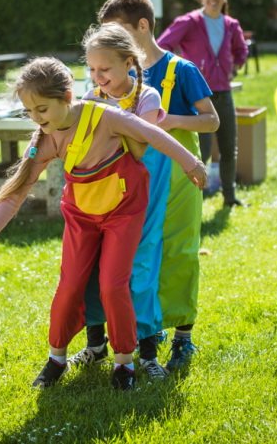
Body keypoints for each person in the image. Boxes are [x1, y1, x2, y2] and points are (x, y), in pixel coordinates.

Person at [0, 57, 207, 391]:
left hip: (123, 211)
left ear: (67, 96)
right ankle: (56, 359)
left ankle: (124, 363)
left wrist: (191, 163)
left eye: (42, 109)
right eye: (29, 112)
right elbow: (16, 192)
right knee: (69, 286)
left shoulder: (104, 115)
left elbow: (151, 134)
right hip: (82, 214)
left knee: (114, 285)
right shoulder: (45, 137)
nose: (37, 120)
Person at [78, 0, 218, 372]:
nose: (110, 44)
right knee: (135, 258)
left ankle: (183, 338)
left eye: (117, 32)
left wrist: (168, 121)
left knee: (178, 253)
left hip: (177, 178)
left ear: (142, 26)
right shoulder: (107, 75)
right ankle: (141, 336)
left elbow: (212, 120)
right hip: (131, 182)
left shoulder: (180, 71)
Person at [72, 22, 168, 380]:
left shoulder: (148, 97)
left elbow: (139, 147)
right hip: (97, 198)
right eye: (92, 70)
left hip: (139, 200)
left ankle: (147, 352)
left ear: (129, 62)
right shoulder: (93, 96)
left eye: (105, 69)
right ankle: (96, 345)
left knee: (138, 272)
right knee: (93, 269)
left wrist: (106, 118)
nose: (98, 77)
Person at [158, 0, 247, 207]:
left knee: (229, 148)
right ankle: (192, 199)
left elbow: (241, 51)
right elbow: (162, 46)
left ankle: (230, 197)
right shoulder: (189, 22)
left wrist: (235, 68)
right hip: (197, 98)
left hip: (224, 94)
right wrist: (180, 73)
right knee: (203, 152)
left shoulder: (231, 25)